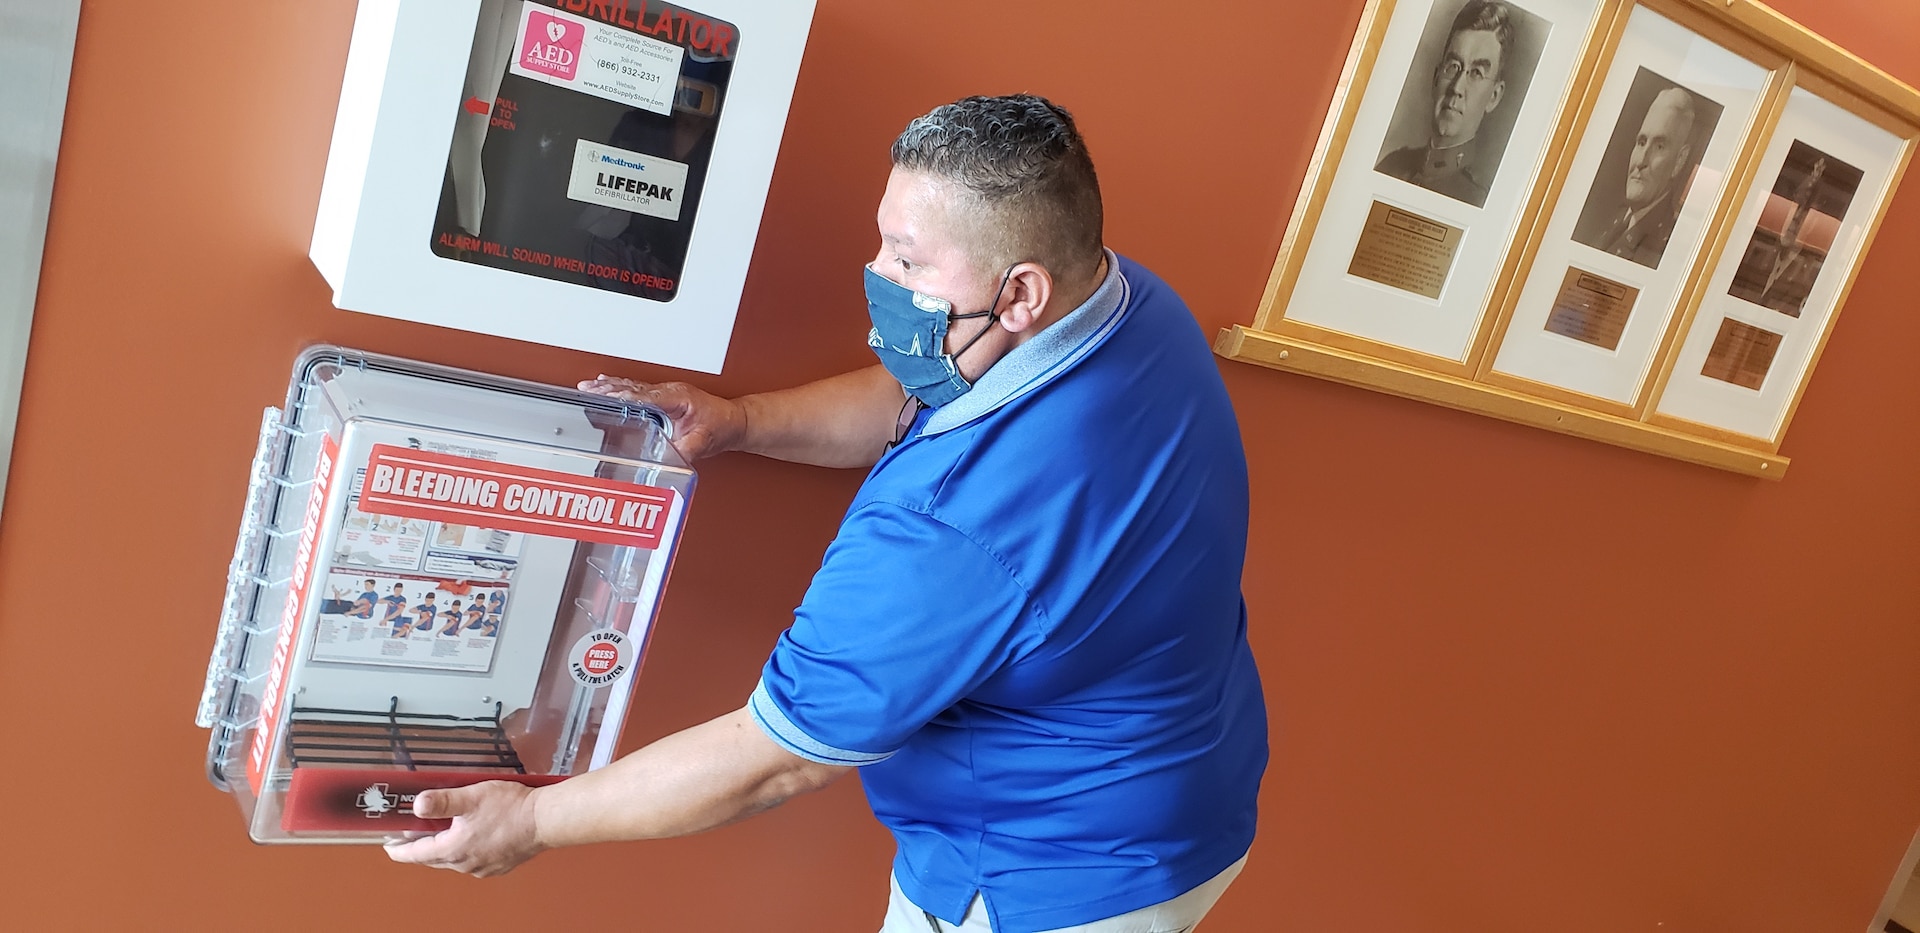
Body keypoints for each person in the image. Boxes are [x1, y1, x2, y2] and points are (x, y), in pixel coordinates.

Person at [385, 94, 1267, 933]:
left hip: (1053, 875)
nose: (878, 275)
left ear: (1021, 293)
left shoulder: (947, 528)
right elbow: (917, 392)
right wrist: (741, 421)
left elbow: (773, 758)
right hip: (1191, 779)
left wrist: (531, 822)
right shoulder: (1127, 304)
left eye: (908, 258)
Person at [1375, 0, 1517, 207]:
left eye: (1476, 73)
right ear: (1435, 78)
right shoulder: (1390, 166)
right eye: (1453, 66)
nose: (1457, 88)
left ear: (1494, 96)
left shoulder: (1479, 200)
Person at [1579, 87, 1698, 268]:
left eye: (1659, 146)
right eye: (1641, 142)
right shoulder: (1617, 216)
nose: (1641, 160)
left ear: (1679, 161)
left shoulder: (1666, 245)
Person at [1729, 155, 1830, 316]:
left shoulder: (1810, 275)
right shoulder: (1749, 251)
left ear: (1814, 223)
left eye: (1803, 215)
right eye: (1794, 210)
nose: (1795, 221)